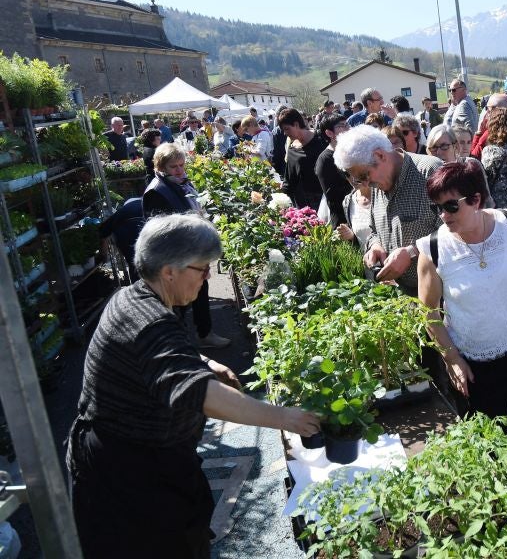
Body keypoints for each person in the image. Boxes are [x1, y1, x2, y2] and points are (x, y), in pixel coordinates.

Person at [67, 213, 320, 558]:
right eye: (202, 270)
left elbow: (158, 360)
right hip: (129, 475)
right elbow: (199, 393)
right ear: (170, 270)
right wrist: (285, 418)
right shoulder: (149, 320)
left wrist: (204, 362)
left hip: (140, 460)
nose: (206, 279)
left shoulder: (135, 297)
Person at [416, 161, 507, 443]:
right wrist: (452, 358)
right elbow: (428, 311)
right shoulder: (433, 248)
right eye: (437, 208)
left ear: (476, 199)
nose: (443, 215)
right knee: (494, 447)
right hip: (477, 364)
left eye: (451, 206)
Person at [333, 125, 442, 297]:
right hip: (402, 296)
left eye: (364, 176)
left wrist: (412, 252)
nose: (365, 184)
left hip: (442, 297)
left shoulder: (430, 172)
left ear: (380, 155)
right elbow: (374, 230)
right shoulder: (378, 182)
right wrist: (375, 245)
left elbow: (459, 231)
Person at [143, 143, 231, 350]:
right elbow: (160, 232)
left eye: (182, 165)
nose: (180, 170)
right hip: (177, 257)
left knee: (200, 290)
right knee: (176, 301)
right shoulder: (157, 191)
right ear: (161, 167)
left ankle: (204, 333)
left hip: (192, 252)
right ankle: (180, 347)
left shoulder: (179, 183)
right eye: (174, 167)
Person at [279, 109, 329, 209]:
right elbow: (289, 178)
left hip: (323, 198)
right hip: (302, 202)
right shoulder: (292, 147)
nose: (285, 133)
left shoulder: (320, 140)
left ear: (296, 124)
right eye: (283, 130)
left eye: (287, 129)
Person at [315, 114, 352, 227]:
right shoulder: (325, 159)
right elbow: (333, 196)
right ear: (329, 133)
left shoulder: (351, 151)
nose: (348, 128)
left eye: (347, 124)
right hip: (343, 219)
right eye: (342, 126)